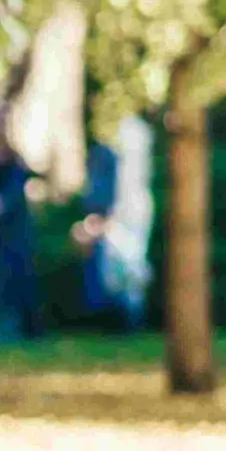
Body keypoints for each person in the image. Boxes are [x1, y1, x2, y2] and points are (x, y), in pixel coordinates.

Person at [72, 115, 154, 331]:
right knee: (115, 274)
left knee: (129, 271)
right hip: (119, 217)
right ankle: (120, 322)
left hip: (130, 215)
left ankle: (131, 322)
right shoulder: (109, 150)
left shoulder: (132, 138)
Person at [0, 123, 43, 343]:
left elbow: (9, 196)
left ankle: (22, 330)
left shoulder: (15, 163)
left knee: (16, 278)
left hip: (14, 229)